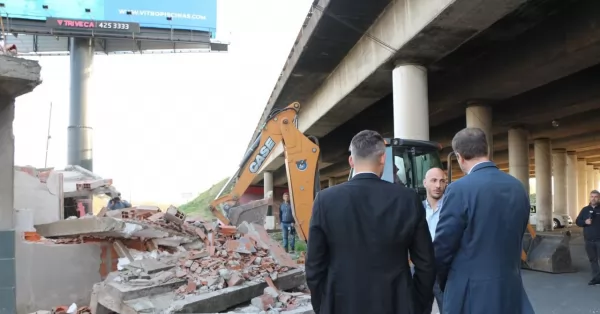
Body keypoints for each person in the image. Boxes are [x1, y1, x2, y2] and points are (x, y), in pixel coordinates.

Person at [306, 130, 435, 314]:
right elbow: (425, 263)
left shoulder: (325, 200)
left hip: (341, 304)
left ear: (351, 161)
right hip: (396, 303)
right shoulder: (407, 199)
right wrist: (418, 304)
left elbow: (314, 265)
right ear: (383, 158)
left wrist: (322, 306)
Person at [434, 127, 533, 314]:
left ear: (459, 156)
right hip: (511, 288)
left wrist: (446, 281)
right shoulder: (517, 187)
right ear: (487, 150)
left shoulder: (459, 189)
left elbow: (443, 247)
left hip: (471, 293)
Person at [422, 167, 447, 313]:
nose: (438, 185)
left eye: (442, 181)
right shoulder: (417, 208)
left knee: (448, 309)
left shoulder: (452, 208)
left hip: (444, 270)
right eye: (434, 180)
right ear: (425, 183)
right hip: (422, 269)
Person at [575, 190, 600, 285]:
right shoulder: (585, 210)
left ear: (599, 198)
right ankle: (596, 278)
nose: (593, 198)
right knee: (593, 260)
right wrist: (585, 222)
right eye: (592, 196)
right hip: (589, 240)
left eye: (596, 196)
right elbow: (577, 221)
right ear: (590, 198)